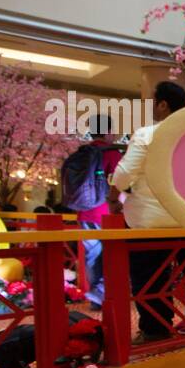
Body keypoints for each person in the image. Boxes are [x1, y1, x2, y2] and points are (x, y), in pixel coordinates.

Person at [111, 81, 185, 341]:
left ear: (163, 104)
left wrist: (115, 195)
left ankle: (156, 329)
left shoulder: (146, 134)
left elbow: (123, 175)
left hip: (150, 221)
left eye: (154, 101)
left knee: (150, 277)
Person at [60, 114, 122, 307]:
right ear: (109, 132)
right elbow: (121, 181)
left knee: (92, 256)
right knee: (115, 254)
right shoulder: (111, 152)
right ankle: (100, 293)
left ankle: (97, 299)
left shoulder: (83, 153)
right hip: (108, 212)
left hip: (84, 211)